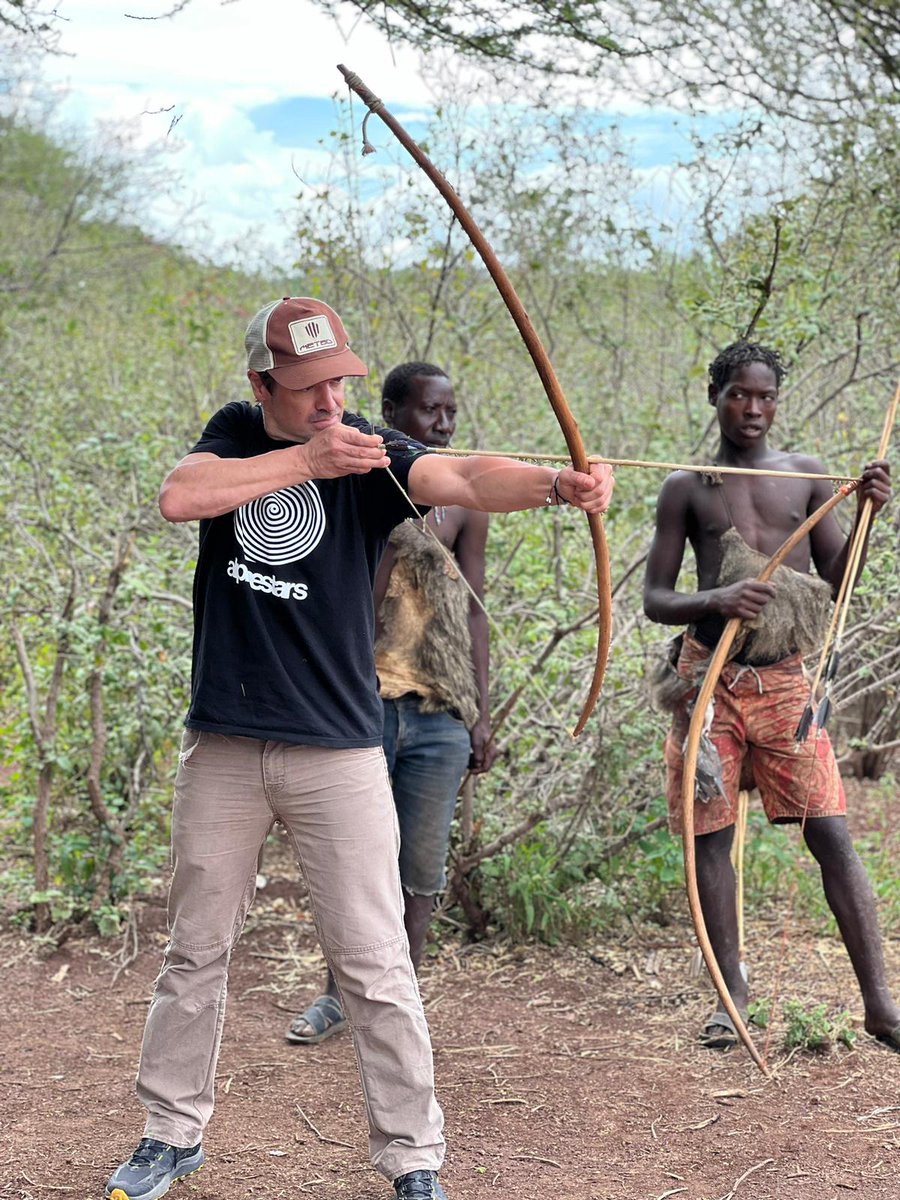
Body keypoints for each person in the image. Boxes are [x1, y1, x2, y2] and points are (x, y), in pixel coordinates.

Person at [104, 297, 614, 1200]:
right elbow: (179, 497)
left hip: (338, 748)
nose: (330, 401)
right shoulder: (232, 438)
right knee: (195, 950)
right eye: (306, 389)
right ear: (263, 384)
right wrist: (303, 460)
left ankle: (412, 1157)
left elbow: (461, 476)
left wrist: (553, 485)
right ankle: (169, 1134)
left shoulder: (373, 451)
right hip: (224, 741)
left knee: (375, 959)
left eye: (338, 380)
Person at [642, 339, 899, 1054]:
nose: (752, 409)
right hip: (707, 682)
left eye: (764, 397)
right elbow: (657, 599)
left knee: (833, 835)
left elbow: (841, 579)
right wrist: (718, 596)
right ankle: (731, 996)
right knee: (711, 840)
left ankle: (881, 1005)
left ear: (776, 403)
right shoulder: (689, 486)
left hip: (785, 684)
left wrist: (872, 513)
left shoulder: (808, 475)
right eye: (738, 395)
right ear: (715, 396)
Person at [286, 361, 498, 1047]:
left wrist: (481, 711)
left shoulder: (463, 504)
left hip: (438, 711)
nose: (442, 424)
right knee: (355, 861)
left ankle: (397, 1002)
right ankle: (335, 995)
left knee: (420, 867)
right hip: (360, 705)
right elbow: (346, 594)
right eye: (428, 411)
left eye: (449, 411)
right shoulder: (361, 487)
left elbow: (473, 609)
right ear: (389, 416)